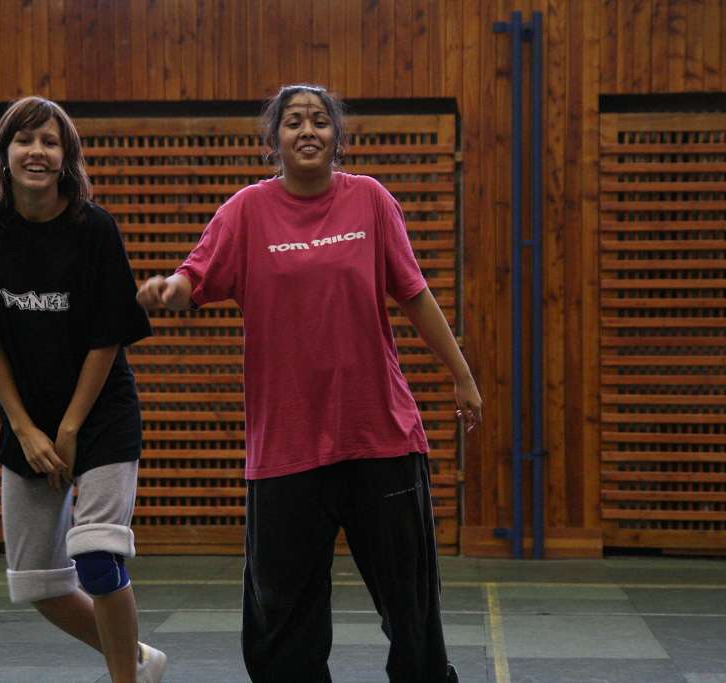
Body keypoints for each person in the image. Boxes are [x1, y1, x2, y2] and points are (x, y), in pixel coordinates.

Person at [136, 84, 482, 683]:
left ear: (336, 137)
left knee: (412, 610)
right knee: (283, 624)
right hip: (286, 449)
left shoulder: (370, 200)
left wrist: (463, 376)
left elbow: (415, 294)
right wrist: (170, 291)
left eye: (320, 121)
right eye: (293, 122)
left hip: (380, 438)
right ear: (275, 139)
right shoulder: (247, 211)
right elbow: (194, 275)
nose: (307, 131)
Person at [0, 96, 166, 683]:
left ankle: (125, 679)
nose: (37, 152)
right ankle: (140, 660)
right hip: (28, 420)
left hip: (100, 416)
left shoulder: (94, 229)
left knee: (97, 558)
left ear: (66, 156)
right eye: (25, 140)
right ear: (4, 153)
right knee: (36, 583)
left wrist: (69, 428)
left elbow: (107, 338)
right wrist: (24, 428)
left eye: (50, 141)